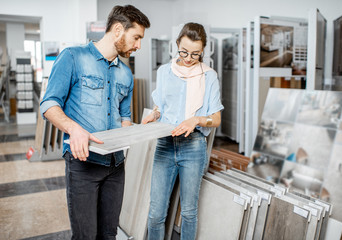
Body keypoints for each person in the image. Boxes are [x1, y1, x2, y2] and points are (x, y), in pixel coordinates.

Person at [40, 5, 150, 239]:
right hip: (83, 165)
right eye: (136, 37)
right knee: (85, 236)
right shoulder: (73, 57)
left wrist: (141, 129)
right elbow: (48, 104)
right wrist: (74, 129)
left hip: (116, 166)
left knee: (109, 234)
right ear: (118, 29)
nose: (138, 45)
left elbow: (125, 119)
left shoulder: (126, 75)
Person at [142, 22, 224, 240]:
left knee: (188, 213)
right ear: (176, 44)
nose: (188, 58)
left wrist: (195, 120)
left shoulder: (209, 76)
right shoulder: (164, 72)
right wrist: (155, 114)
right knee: (156, 213)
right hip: (165, 145)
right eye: (184, 51)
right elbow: (163, 106)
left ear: (203, 51)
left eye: (195, 54)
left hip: (193, 146)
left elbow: (216, 118)